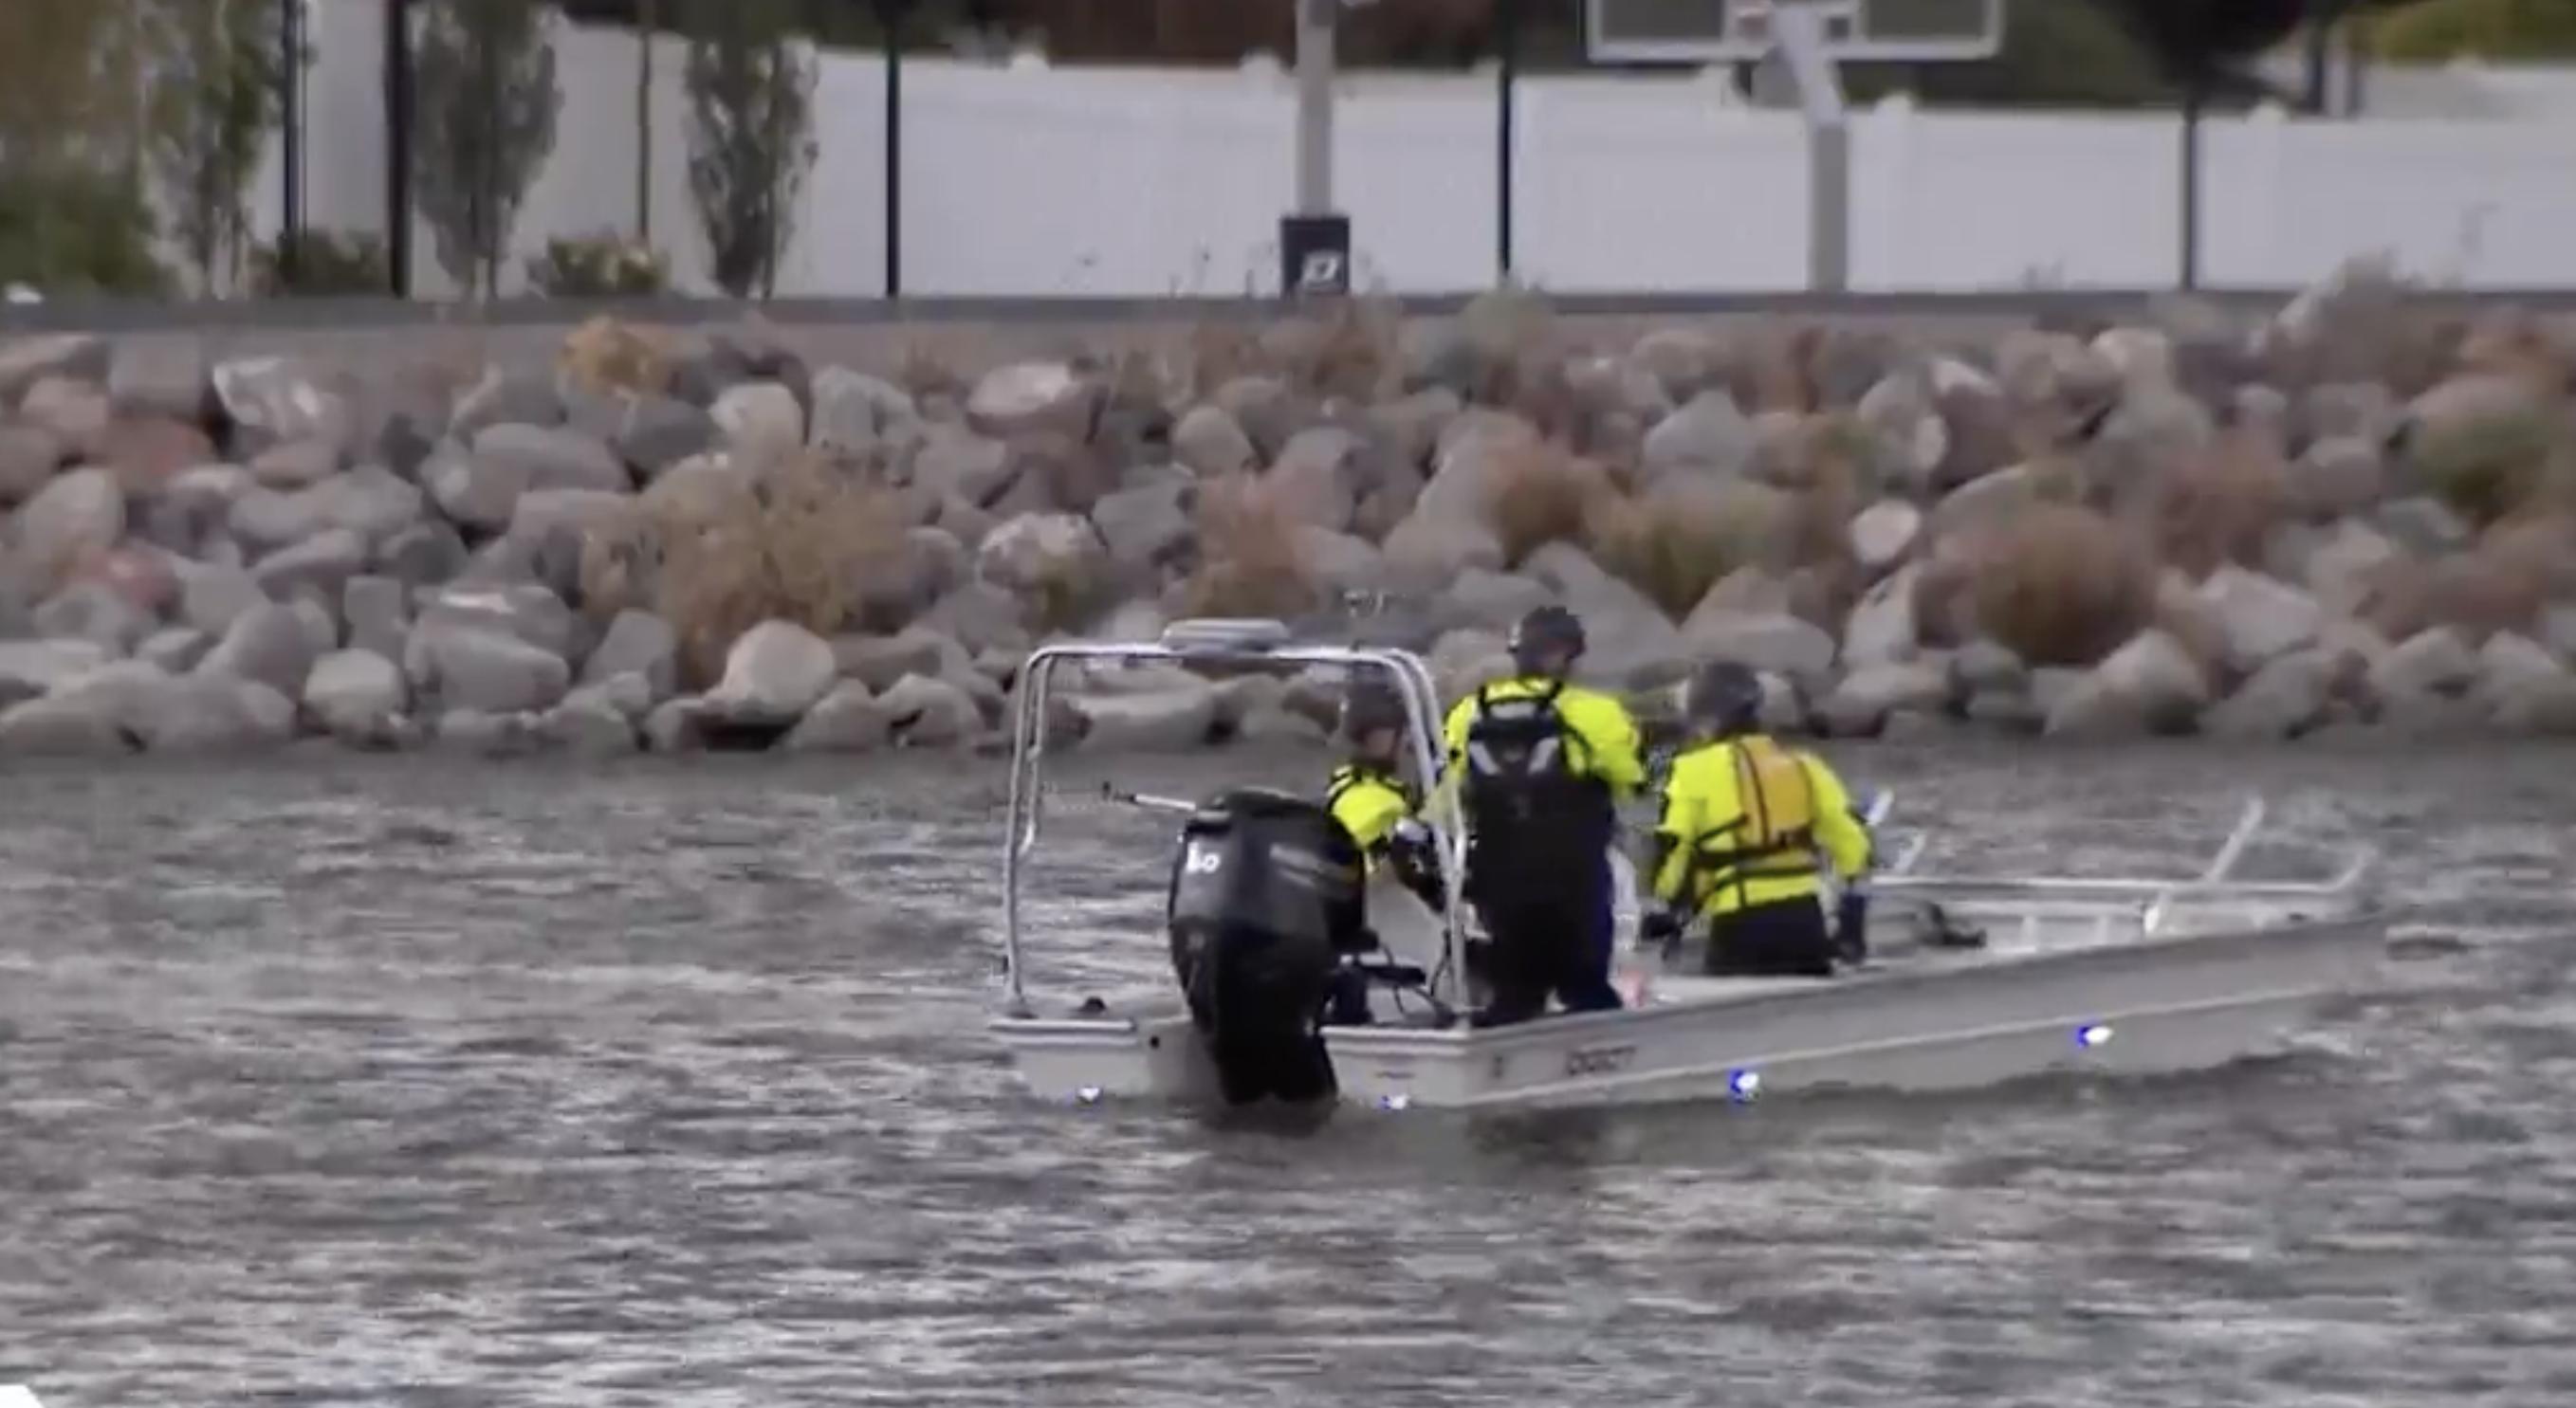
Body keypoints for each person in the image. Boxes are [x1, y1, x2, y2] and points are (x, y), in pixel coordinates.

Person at [1439, 605, 1647, 1027]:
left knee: (1515, 993)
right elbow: (1630, 778)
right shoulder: (1596, 712)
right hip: (1573, 875)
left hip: (1500, 876)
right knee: (1586, 989)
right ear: (1567, 656)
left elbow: (1448, 791)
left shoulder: (1467, 713)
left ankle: (1504, 1040)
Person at [1640, 660, 1871, 978]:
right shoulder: (1805, 765)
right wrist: (1852, 927)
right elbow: (1855, 846)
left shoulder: (1691, 770)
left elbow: (1673, 851)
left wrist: (1662, 912)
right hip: (1805, 925)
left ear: (1707, 720)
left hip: (1739, 926)